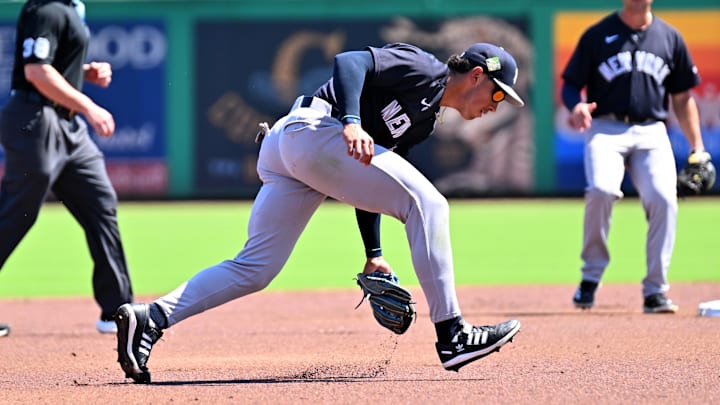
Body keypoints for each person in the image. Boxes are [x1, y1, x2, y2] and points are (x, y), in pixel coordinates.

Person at [114, 41, 524, 383]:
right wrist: (350, 121)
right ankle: (452, 334)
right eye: (499, 93)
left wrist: (374, 253)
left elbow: (371, 179)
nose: (497, 105)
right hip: (312, 131)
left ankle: (150, 318)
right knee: (429, 204)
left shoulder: (423, 123)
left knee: (255, 267)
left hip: (298, 152)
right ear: (476, 76)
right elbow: (350, 61)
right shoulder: (424, 68)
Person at [561, 0, 710, 313]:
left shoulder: (670, 37)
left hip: (651, 130)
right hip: (605, 128)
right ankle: (591, 276)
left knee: (664, 199)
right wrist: (575, 106)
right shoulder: (597, 35)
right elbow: (572, 84)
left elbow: (683, 99)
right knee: (601, 190)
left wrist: (698, 146)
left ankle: (655, 290)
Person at [0, 0, 134, 335]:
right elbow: (35, 71)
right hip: (34, 121)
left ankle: (118, 311)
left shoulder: (70, 8)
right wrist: (88, 105)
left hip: (67, 128)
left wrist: (80, 72)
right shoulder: (47, 8)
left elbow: (50, 64)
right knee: (16, 214)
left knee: (101, 205)